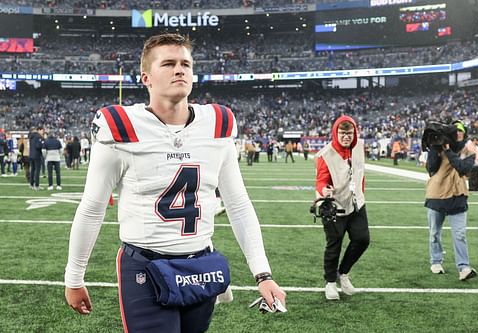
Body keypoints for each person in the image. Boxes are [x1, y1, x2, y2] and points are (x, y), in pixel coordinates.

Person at [64, 33, 286, 333]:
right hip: (145, 265)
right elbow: (92, 208)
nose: (179, 69)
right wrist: (74, 277)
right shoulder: (121, 127)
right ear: (146, 77)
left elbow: (238, 204)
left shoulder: (217, 124)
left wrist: (263, 273)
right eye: (168, 63)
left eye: (185, 63)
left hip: (200, 266)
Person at [315, 115, 370, 300]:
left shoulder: (359, 147)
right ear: (335, 133)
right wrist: (325, 191)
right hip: (335, 204)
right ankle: (330, 282)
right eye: (342, 133)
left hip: (356, 203)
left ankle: (343, 273)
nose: (346, 136)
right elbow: (321, 181)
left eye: (349, 132)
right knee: (334, 244)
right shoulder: (325, 154)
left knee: (362, 239)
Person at [424, 120, 477, 280]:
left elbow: (463, 168)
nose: (458, 134)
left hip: (458, 195)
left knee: (460, 234)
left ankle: (464, 267)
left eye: (460, 130)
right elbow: (431, 168)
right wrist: (434, 148)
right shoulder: (437, 147)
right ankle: (436, 260)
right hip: (437, 194)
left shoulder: (469, 150)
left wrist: (448, 151)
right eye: (455, 131)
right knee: (434, 233)